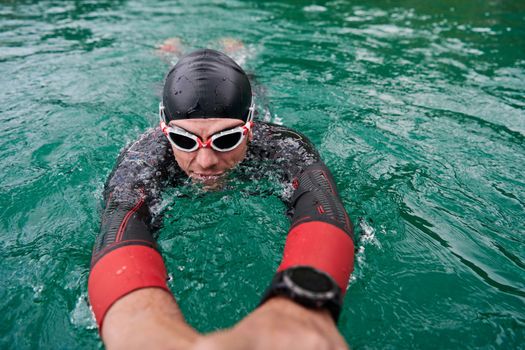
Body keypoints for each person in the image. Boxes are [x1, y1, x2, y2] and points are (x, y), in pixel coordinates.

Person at [88, 49, 355, 350]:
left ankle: (236, 55)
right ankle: (172, 54)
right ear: (165, 131)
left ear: (249, 128)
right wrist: (139, 325)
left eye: (226, 139)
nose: (205, 161)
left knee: (248, 75)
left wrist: (300, 309)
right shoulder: (143, 158)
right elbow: (120, 219)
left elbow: (321, 203)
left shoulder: (283, 146)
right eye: (184, 140)